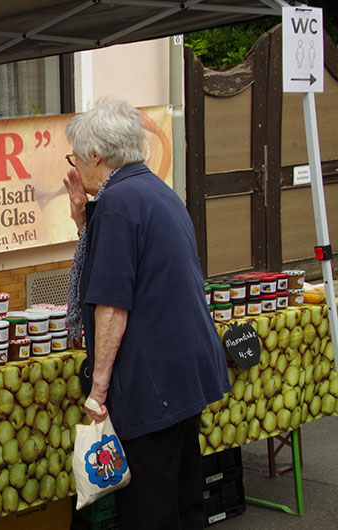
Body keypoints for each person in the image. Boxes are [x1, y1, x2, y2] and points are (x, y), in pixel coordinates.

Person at [63, 99, 230, 530]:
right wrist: (84, 220)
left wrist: (98, 391)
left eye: (76, 158)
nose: (77, 168)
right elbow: (122, 264)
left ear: (96, 155)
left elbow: (112, 304)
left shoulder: (120, 201)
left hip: (153, 376)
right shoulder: (155, 189)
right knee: (183, 493)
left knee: (150, 505)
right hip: (184, 369)